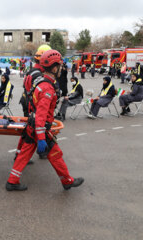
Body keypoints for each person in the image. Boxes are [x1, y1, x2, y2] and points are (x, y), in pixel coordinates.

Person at [5, 50, 84, 191]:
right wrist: (41, 137)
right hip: (40, 127)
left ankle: (12, 180)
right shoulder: (48, 88)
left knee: (24, 154)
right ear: (54, 68)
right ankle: (67, 181)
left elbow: (32, 105)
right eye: (60, 66)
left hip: (32, 125)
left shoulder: (39, 81)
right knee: (55, 154)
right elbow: (41, 114)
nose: (62, 68)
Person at [19, 46, 50, 118]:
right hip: (29, 103)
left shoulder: (33, 70)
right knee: (31, 125)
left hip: (25, 99)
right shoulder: (37, 74)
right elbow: (38, 94)